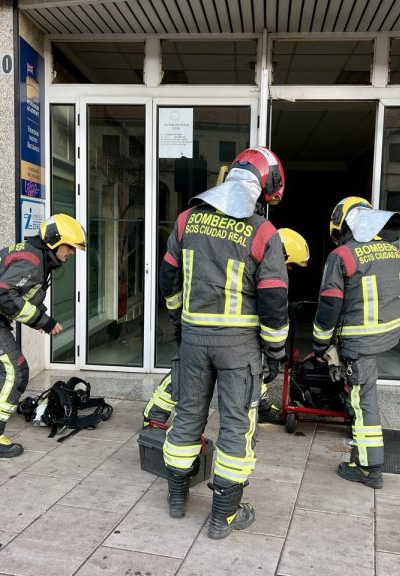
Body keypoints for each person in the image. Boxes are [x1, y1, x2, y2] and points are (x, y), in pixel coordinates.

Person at [159, 146, 289, 539]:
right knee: (236, 426)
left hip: (194, 341)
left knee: (187, 416)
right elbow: (274, 300)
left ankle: (177, 498)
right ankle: (223, 517)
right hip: (239, 347)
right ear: (264, 187)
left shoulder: (187, 220)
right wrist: (276, 352)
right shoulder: (263, 232)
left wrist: (180, 322)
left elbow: (168, 279)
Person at [142, 228, 309, 427]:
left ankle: (261, 407)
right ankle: (154, 412)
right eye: (288, 265)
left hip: (231, 334)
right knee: (185, 376)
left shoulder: (249, 259)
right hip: (212, 330)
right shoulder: (250, 259)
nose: (288, 271)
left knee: (250, 370)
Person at [0, 214, 86, 458]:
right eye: (69, 246)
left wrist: (43, 318)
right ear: (54, 241)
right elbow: (4, 294)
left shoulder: (37, 257)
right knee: (15, 370)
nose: (71, 253)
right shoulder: (32, 260)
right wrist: (42, 320)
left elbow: (23, 293)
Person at [311, 197, 400, 489]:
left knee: (362, 401)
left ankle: (370, 469)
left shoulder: (342, 255)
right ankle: (363, 458)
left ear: (343, 224)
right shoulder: (395, 252)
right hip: (386, 336)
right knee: (360, 395)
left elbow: (330, 305)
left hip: (359, 342)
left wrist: (320, 344)